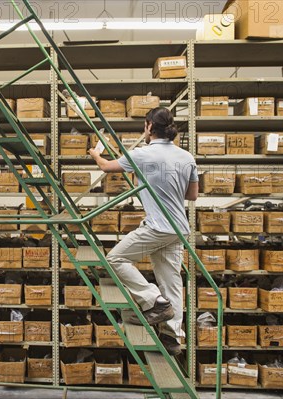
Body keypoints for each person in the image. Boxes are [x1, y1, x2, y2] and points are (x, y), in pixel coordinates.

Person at [88, 107, 198, 355]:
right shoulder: (187, 157)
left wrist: (96, 153)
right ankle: (172, 336)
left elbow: (106, 167)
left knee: (116, 258)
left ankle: (153, 301)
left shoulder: (142, 154)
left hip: (159, 226)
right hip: (179, 228)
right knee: (171, 280)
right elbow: (192, 195)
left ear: (149, 126)